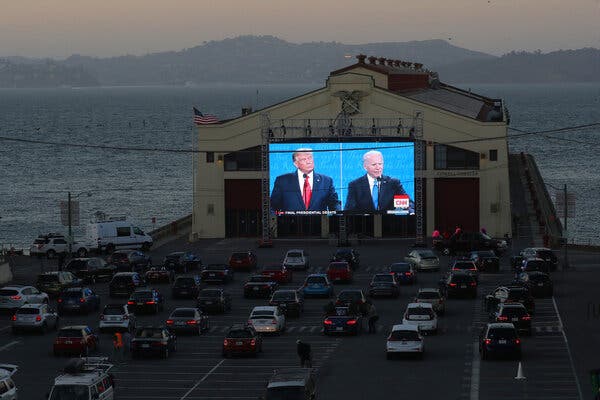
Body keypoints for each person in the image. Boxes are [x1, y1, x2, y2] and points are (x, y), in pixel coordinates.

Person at [270, 148, 340, 212]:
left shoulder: (327, 181)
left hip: (318, 223)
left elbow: (334, 204)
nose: (309, 162)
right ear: (296, 164)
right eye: (304, 159)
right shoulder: (282, 181)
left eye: (310, 158)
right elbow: (273, 206)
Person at [344, 150, 414, 213]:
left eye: (380, 164)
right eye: (374, 164)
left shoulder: (393, 183)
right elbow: (349, 210)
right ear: (365, 167)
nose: (378, 168)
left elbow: (407, 204)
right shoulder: (355, 185)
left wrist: (411, 211)